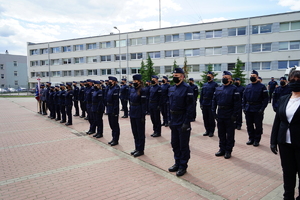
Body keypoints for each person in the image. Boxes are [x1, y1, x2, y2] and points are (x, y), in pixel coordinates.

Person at [270, 69, 300, 200]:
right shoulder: (284, 99)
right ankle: (288, 196)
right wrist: (273, 141)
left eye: (298, 81)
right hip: (284, 143)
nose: (295, 83)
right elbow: (277, 121)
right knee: (288, 172)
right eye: (292, 80)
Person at [168, 68, 194, 176]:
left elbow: (190, 106)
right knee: (174, 143)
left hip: (183, 118)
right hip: (173, 119)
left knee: (183, 144)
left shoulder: (187, 88)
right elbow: (168, 104)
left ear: (182, 77)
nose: (175, 77)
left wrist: (186, 122)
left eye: (177, 75)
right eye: (174, 75)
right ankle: (177, 162)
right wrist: (168, 119)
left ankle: (183, 166)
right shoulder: (172, 88)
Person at [212, 71, 240, 159]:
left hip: (229, 113)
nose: (224, 79)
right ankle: (222, 149)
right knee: (221, 133)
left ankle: (228, 150)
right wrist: (213, 112)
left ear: (230, 79)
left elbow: (237, 103)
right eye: (223, 77)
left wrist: (234, 115)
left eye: (226, 77)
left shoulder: (234, 89)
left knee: (230, 134)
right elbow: (214, 101)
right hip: (220, 113)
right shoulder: (218, 88)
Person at [243, 70, 268, 147]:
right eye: (251, 76)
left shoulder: (262, 86)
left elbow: (266, 99)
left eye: (254, 76)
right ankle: (251, 138)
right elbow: (243, 98)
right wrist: (244, 107)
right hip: (249, 108)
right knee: (249, 125)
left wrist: (262, 109)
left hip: (257, 108)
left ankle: (257, 140)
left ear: (257, 77)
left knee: (258, 125)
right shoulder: (248, 86)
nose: (252, 77)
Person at [129, 74, 147, 157]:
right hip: (132, 112)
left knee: (140, 132)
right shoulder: (132, 89)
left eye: (136, 81)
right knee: (135, 132)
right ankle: (136, 148)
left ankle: (141, 149)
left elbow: (144, 104)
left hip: (139, 112)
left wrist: (143, 115)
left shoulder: (143, 90)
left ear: (139, 82)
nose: (134, 83)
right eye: (133, 81)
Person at [200, 71, 218, 137]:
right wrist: (201, 103)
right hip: (204, 103)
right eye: (207, 75)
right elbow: (201, 95)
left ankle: (211, 131)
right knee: (205, 118)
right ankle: (207, 130)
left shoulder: (215, 84)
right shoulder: (204, 84)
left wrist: (214, 104)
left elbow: (216, 95)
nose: (208, 76)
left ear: (212, 77)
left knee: (211, 118)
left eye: (209, 75)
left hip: (211, 103)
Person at [106, 76, 120, 146]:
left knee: (115, 125)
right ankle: (113, 138)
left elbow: (116, 101)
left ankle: (116, 139)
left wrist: (115, 111)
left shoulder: (115, 89)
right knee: (111, 124)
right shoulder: (109, 89)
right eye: (109, 81)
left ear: (114, 81)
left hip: (113, 109)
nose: (109, 82)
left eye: (110, 81)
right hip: (109, 108)